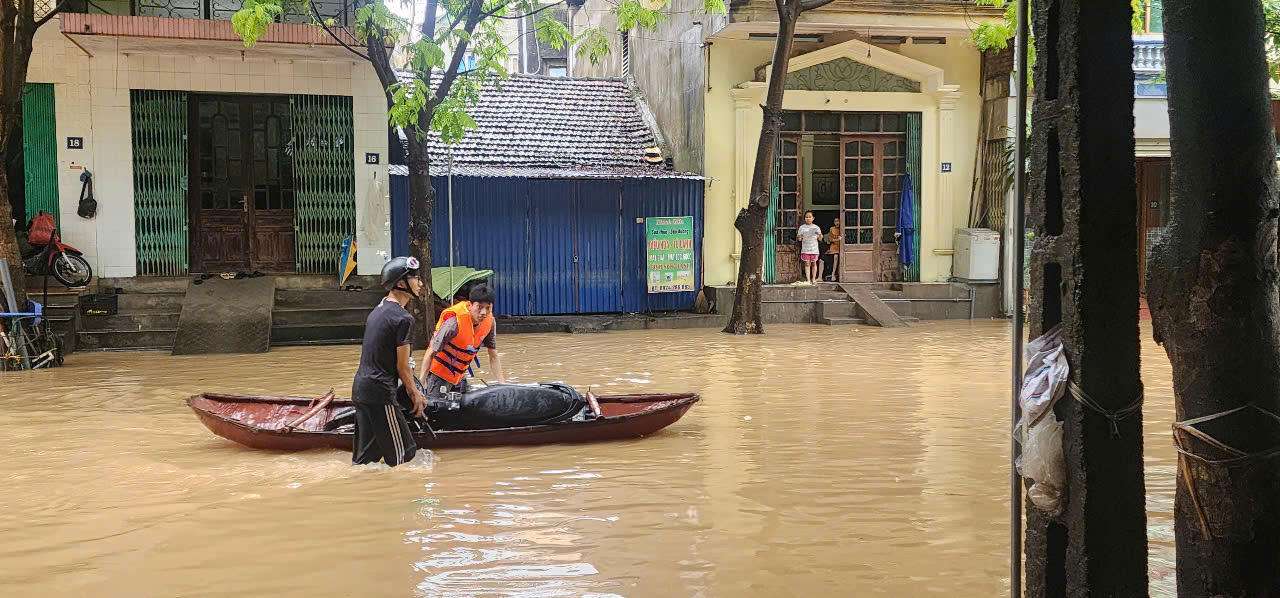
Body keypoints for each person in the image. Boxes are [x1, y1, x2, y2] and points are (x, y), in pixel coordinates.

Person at [349, 256, 426, 467]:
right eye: (415, 278)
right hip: (380, 393)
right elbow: (402, 366)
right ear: (401, 283)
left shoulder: (378, 310)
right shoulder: (403, 318)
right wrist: (415, 394)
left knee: (365, 461)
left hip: (361, 390)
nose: (420, 283)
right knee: (405, 457)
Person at [418, 284, 505, 400]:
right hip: (438, 375)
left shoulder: (490, 322)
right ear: (470, 305)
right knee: (435, 406)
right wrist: (422, 382)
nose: (484, 312)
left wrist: (502, 385)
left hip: (459, 376)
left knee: (466, 406)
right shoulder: (453, 323)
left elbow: (493, 356)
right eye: (479, 307)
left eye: (488, 308)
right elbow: (430, 352)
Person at [796, 211, 822, 285]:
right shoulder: (802, 227)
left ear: (813, 218)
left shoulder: (816, 227)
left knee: (814, 263)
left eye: (810, 217)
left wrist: (819, 234)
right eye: (806, 217)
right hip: (805, 249)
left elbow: (820, 239)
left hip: (814, 249)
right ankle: (808, 280)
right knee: (807, 264)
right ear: (804, 218)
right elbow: (799, 239)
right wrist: (799, 237)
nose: (808, 218)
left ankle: (813, 279)